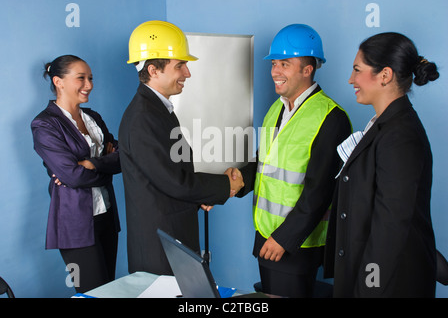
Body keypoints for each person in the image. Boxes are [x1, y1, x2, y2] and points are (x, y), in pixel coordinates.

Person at [229, 24, 352, 297]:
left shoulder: (332, 118)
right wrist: (234, 182)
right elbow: (265, 163)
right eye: (274, 63)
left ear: (308, 69)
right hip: (266, 234)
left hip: (296, 245)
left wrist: (284, 239)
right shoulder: (276, 108)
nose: (275, 71)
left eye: (285, 63)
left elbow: (319, 191)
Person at [119, 20, 244, 275]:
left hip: (171, 237)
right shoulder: (143, 117)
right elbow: (174, 181)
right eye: (180, 65)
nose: (188, 73)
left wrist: (204, 196)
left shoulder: (157, 110)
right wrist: (223, 186)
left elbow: (169, 177)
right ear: (153, 70)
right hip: (159, 248)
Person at [324, 32, 439, 297]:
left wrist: (368, 288)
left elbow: (390, 228)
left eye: (357, 70)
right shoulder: (384, 125)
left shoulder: (400, 135)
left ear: (385, 75)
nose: (351, 79)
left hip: (386, 284)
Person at [31, 55, 121, 293]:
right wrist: (104, 165)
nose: (89, 84)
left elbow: (124, 157)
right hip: (75, 224)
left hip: (106, 216)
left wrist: (91, 163)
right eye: (81, 78)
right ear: (59, 82)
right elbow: (73, 177)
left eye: (90, 78)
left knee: (109, 290)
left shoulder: (93, 118)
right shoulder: (45, 124)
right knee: (92, 293)